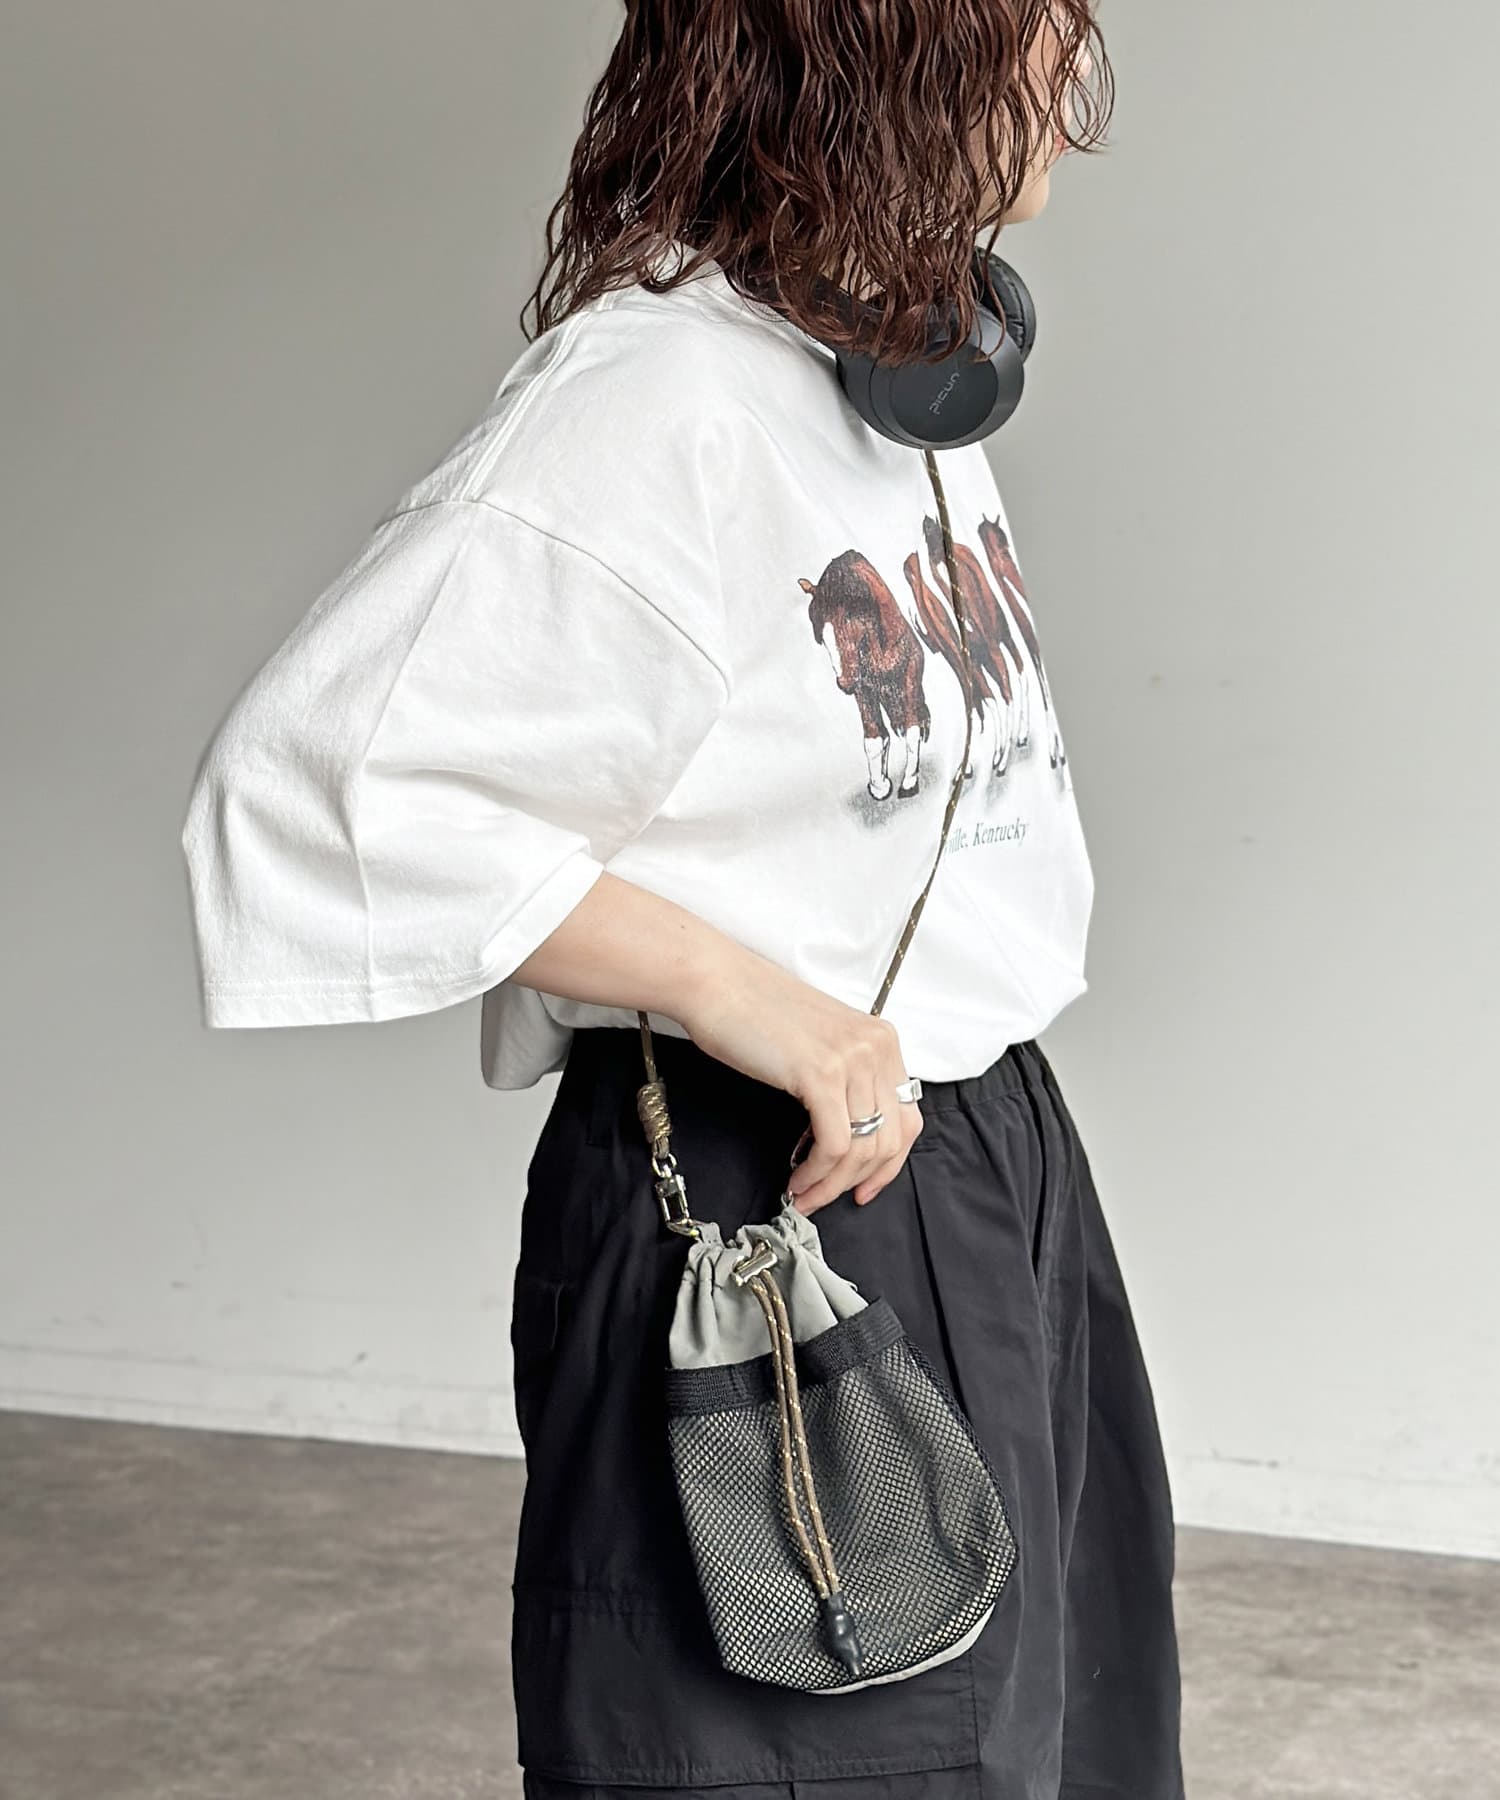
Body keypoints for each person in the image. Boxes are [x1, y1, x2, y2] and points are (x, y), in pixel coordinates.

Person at [179, 4, 1185, 1796]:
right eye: (1034, 18)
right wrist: (741, 992)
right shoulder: (658, 403)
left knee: (1044, 1744)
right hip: (767, 1193)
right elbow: (329, 785)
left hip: (982, 1162)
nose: (1068, 65)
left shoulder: (903, 383)